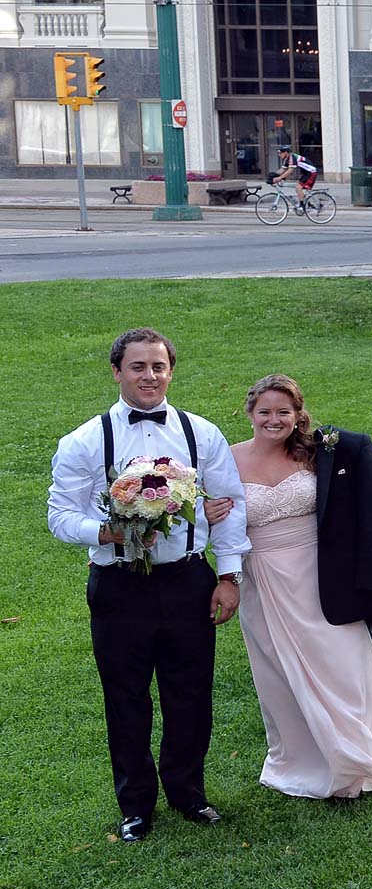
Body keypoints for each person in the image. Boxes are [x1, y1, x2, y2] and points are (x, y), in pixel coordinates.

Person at [47, 328, 249, 842]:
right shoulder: (85, 440)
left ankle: (188, 794)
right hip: (118, 586)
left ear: (170, 371)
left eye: (158, 366)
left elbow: (229, 506)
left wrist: (228, 575)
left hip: (186, 580)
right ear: (116, 372)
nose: (149, 377)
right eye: (137, 367)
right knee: (126, 697)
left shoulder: (201, 434)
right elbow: (59, 516)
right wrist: (106, 530)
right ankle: (135, 805)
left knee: (190, 694)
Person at [230, 375, 372, 798]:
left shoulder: (325, 450)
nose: (274, 420)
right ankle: (305, 757)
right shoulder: (226, 460)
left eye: (284, 412)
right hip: (263, 579)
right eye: (265, 412)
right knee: (278, 672)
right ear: (249, 414)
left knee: (344, 660)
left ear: (298, 414)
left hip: (323, 572)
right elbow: (221, 526)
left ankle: (359, 750)